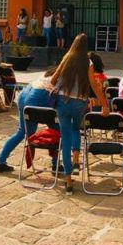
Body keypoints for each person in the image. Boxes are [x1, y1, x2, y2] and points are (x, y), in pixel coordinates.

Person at [50, 33, 109, 194]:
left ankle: (68, 181)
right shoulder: (88, 62)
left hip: (62, 101)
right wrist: (104, 105)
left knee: (65, 137)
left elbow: (53, 80)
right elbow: (94, 86)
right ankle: (76, 159)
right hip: (78, 103)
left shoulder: (67, 57)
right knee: (76, 129)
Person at [0, 68, 59, 173]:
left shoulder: (45, 76)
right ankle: (55, 165)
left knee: (21, 132)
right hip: (37, 100)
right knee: (58, 131)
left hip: (24, 95)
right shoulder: (59, 80)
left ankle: (0, 161)